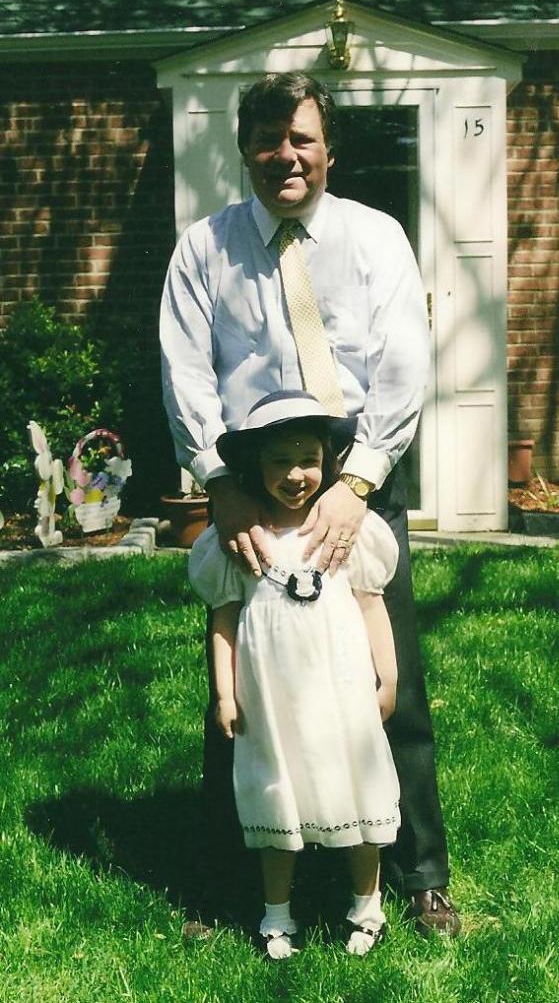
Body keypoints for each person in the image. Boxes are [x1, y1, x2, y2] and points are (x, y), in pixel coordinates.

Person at [160, 71, 460, 935]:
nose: (283, 156)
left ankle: (419, 874)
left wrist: (358, 483)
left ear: (330, 149)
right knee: (245, 686)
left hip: (359, 474)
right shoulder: (204, 250)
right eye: (266, 140)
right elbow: (185, 369)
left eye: (300, 138)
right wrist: (220, 487)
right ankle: (231, 882)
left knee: (385, 680)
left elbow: (403, 362)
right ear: (243, 149)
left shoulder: (376, 239)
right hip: (251, 491)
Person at [189, 390, 401, 958]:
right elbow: (224, 620)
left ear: (328, 461)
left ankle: (366, 905)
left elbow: (371, 603)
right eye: (278, 461)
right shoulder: (240, 543)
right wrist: (225, 694)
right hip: (272, 703)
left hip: (341, 696)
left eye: (306, 458)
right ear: (256, 467)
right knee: (275, 794)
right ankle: (277, 913)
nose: (294, 474)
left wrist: (389, 677)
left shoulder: (348, 535)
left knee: (354, 789)